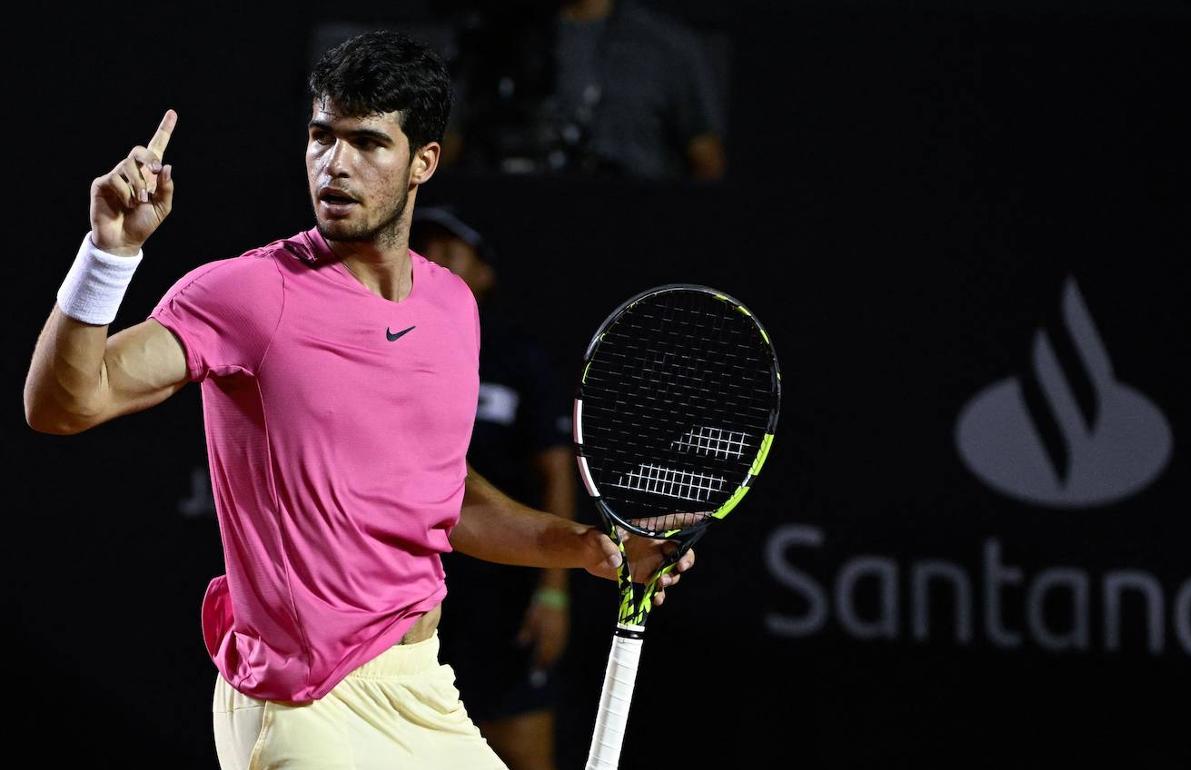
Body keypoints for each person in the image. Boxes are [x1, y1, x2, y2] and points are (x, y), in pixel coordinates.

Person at [22, 30, 694, 770]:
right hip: (305, 705)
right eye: (321, 137)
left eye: (368, 143)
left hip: (422, 689)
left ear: (423, 163)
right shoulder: (249, 294)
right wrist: (108, 254)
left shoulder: (452, 307)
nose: (334, 166)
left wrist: (589, 549)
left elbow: (442, 498)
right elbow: (66, 403)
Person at [411, 207, 574, 770]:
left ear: (485, 274)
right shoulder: (386, 343)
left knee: (521, 748)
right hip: (413, 592)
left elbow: (555, 473)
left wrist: (553, 593)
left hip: (503, 587)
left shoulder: (516, 356)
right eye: (424, 249)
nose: (433, 262)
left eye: (452, 252)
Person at [448, 0, 726, 179]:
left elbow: (707, 160)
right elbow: (448, 145)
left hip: (641, 231)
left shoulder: (666, 47)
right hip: (520, 224)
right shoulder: (493, 42)